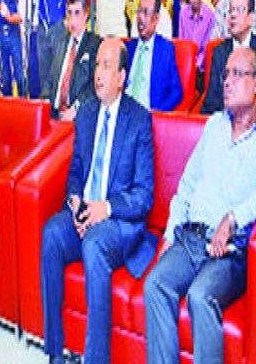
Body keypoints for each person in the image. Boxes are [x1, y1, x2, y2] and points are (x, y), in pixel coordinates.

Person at [144, 47, 256, 363]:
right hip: (190, 239)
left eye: (236, 74)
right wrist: (170, 232)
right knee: (156, 284)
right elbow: (186, 184)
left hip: (228, 254)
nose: (226, 82)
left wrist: (234, 218)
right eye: (225, 74)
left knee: (200, 296)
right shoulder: (212, 127)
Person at [40, 38, 156, 364]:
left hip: (119, 222)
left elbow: (144, 195)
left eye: (107, 66)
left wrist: (104, 209)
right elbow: (76, 169)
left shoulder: (139, 120)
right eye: (97, 65)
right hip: (85, 211)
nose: (98, 74)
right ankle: (55, 352)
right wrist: (75, 202)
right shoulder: (88, 113)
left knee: (94, 243)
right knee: (50, 234)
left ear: (121, 76)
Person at [202, 0, 256, 117]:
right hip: (223, 125)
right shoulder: (219, 52)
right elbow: (211, 103)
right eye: (231, 10)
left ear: (251, 18)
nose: (233, 15)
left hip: (254, 126)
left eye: (240, 10)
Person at [43, 0, 100, 121]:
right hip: (53, 113)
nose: (73, 20)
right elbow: (50, 80)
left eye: (77, 13)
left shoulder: (94, 44)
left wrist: (76, 109)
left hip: (77, 115)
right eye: (70, 13)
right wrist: (44, 103)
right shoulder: (60, 42)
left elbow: (94, 84)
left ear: (86, 15)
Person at [125, 0, 183, 111]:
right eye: (138, 11)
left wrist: (158, 114)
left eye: (145, 12)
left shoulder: (165, 50)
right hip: (123, 117)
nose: (140, 17)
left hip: (149, 117)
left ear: (156, 19)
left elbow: (176, 92)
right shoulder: (128, 48)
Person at [178, 0, 215, 92]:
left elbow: (206, 46)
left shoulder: (209, 14)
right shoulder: (183, 13)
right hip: (186, 64)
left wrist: (197, 64)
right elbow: (182, 40)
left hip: (201, 70)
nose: (193, 0)